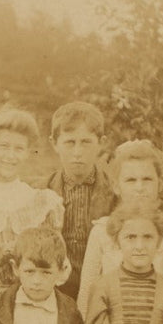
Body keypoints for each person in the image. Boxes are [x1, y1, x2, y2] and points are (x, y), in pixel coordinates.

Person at [75, 140, 163, 317]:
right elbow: (86, 295)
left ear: (160, 185)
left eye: (147, 179)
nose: (139, 188)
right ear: (117, 187)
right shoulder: (101, 232)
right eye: (131, 180)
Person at [0, 107, 64, 291]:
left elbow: (59, 268)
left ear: (28, 152)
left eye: (19, 148)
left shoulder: (43, 203)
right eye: (4, 146)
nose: (11, 156)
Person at [44, 101, 116, 300]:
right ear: (54, 143)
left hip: (102, 293)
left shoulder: (116, 193)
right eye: (69, 142)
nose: (77, 152)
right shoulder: (42, 193)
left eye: (86, 142)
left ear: (101, 143)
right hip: (55, 294)